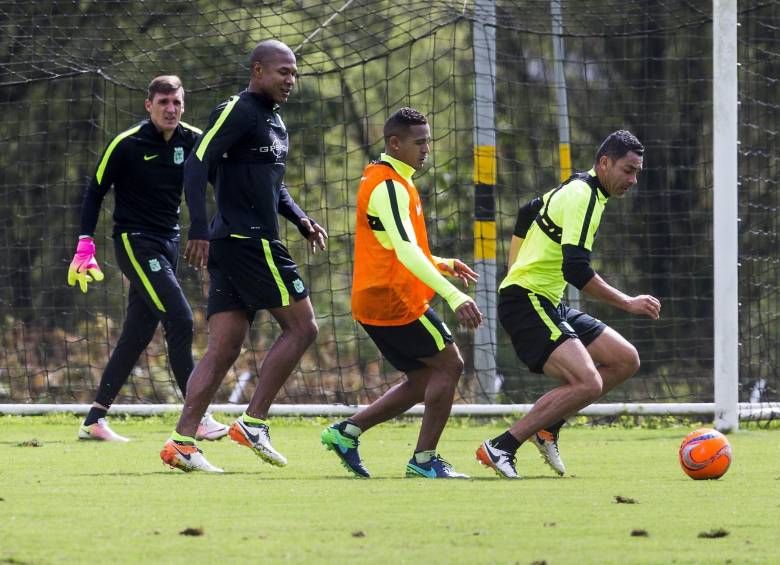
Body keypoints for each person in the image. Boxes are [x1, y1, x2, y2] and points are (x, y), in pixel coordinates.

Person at [159, 40, 327, 473]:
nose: (290, 80)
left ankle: (182, 441)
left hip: (242, 242)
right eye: (282, 72)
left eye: (294, 73)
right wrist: (199, 228)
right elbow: (197, 162)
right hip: (248, 240)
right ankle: (253, 422)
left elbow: (274, 184)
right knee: (303, 327)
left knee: (224, 348)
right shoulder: (238, 109)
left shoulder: (274, 120)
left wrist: (301, 219)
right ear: (258, 71)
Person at [475, 130, 661, 479]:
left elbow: (528, 210)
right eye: (627, 170)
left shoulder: (581, 186)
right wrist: (628, 302)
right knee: (588, 382)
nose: (633, 180)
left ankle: (547, 428)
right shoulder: (583, 196)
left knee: (625, 359)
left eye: (637, 172)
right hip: (526, 302)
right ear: (604, 163)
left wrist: (514, 266)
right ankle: (503, 446)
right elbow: (575, 269)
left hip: (546, 301)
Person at [320, 107, 483, 479]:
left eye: (428, 141)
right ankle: (424, 461)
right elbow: (405, 250)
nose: (426, 148)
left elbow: (393, 245)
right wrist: (455, 296)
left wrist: (441, 263)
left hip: (377, 298)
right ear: (395, 143)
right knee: (451, 365)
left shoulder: (393, 179)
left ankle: (347, 433)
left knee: (425, 380)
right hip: (392, 300)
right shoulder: (389, 185)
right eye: (419, 142)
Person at [68, 76, 229, 442]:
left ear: (183, 105)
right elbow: (94, 192)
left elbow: (218, 180)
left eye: (176, 102)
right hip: (135, 242)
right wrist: (84, 245)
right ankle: (198, 415)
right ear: (149, 105)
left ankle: (94, 419)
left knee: (137, 333)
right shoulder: (126, 144)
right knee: (181, 318)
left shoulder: (193, 140)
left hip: (169, 244)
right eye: (163, 102)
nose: (170, 109)